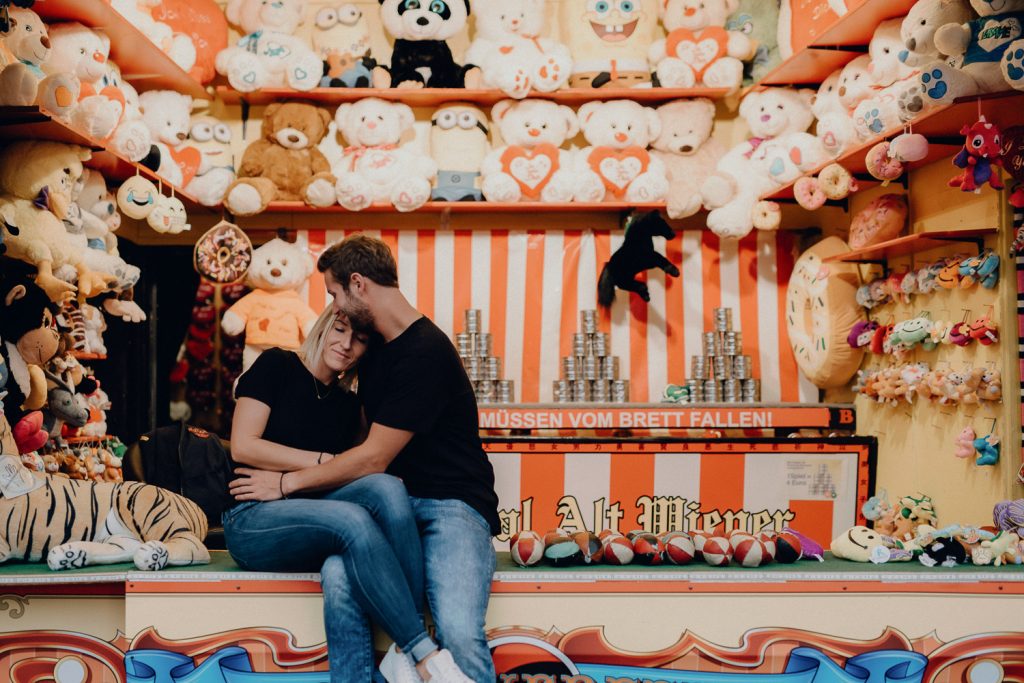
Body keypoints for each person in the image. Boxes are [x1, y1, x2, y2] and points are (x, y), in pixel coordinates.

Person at [237, 235, 500, 682]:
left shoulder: (424, 352)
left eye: (335, 293)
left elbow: (369, 459)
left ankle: (411, 648)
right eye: (336, 322)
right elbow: (253, 446)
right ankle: (411, 649)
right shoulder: (363, 354)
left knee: (457, 627)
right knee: (340, 572)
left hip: (448, 506)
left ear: (357, 284)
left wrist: (286, 482)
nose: (337, 313)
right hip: (388, 509)